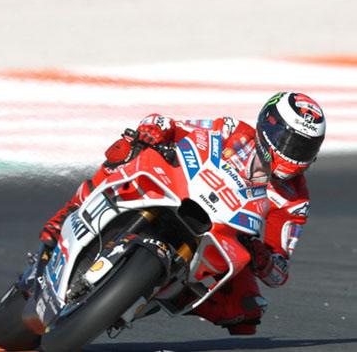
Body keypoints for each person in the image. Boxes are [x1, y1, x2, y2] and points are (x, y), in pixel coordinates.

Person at [39, 92, 325, 335]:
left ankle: (147, 296)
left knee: (246, 311)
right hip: (180, 188)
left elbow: (279, 271)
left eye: (305, 147)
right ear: (267, 126)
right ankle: (67, 215)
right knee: (127, 150)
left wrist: (264, 258)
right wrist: (155, 130)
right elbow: (176, 127)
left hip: (217, 235)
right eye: (290, 142)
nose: (294, 153)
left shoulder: (294, 200)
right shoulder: (231, 131)